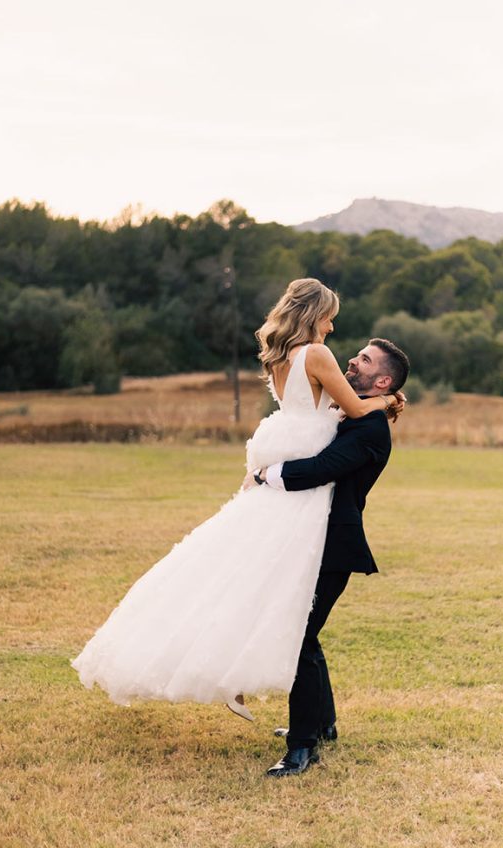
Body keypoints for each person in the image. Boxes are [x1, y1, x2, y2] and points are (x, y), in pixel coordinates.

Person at [71, 279, 404, 719]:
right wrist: (388, 400)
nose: (333, 326)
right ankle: (259, 691)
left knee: (251, 584)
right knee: (280, 606)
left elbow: (319, 417)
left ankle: (305, 717)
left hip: (289, 458)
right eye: (329, 315)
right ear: (314, 313)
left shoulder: (281, 358)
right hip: (300, 479)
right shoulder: (317, 355)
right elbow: (356, 411)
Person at [243, 337, 410, 777]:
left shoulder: (370, 430)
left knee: (299, 636)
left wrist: (266, 475)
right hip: (309, 540)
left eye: (365, 361)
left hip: (333, 548)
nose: (353, 361)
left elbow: (320, 469)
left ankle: (302, 749)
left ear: (383, 379)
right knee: (307, 634)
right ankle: (323, 724)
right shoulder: (351, 414)